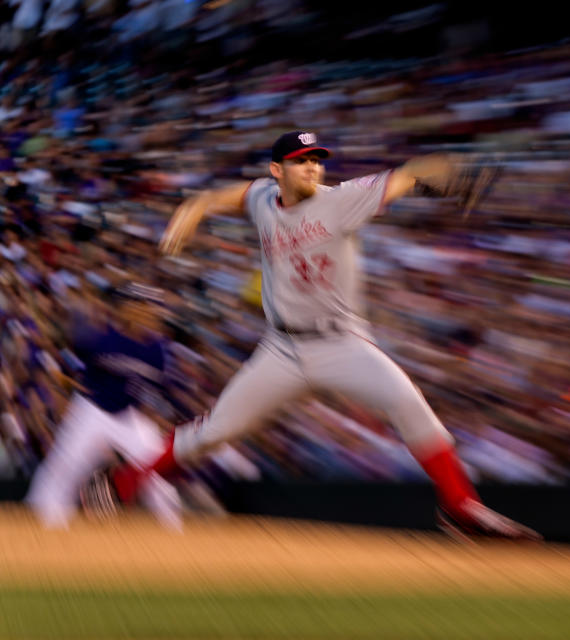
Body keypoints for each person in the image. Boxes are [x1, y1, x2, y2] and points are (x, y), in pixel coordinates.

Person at [88, 131, 540, 541]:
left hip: (341, 344)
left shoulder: (342, 199)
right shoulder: (264, 197)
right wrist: (195, 207)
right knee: (215, 431)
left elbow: (409, 174)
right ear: (277, 171)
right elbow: (223, 197)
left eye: (317, 160)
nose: (313, 168)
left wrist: (456, 169)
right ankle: (122, 483)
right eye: (302, 161)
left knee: (409, 404)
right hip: (281, 349)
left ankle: (460, 506)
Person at [25, 282, 182, 529]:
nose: (148, 312)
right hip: (92, 410)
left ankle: (175, 532)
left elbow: (158, 392)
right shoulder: (101, 340)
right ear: (125, 310)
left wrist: (157, 414)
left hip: (129, 415)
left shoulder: (158, 352)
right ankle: (42, 528)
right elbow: (63, 356)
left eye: (151, 308)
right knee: (65, 466)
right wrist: (66, 381)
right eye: (140, 307)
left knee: (154, 469)